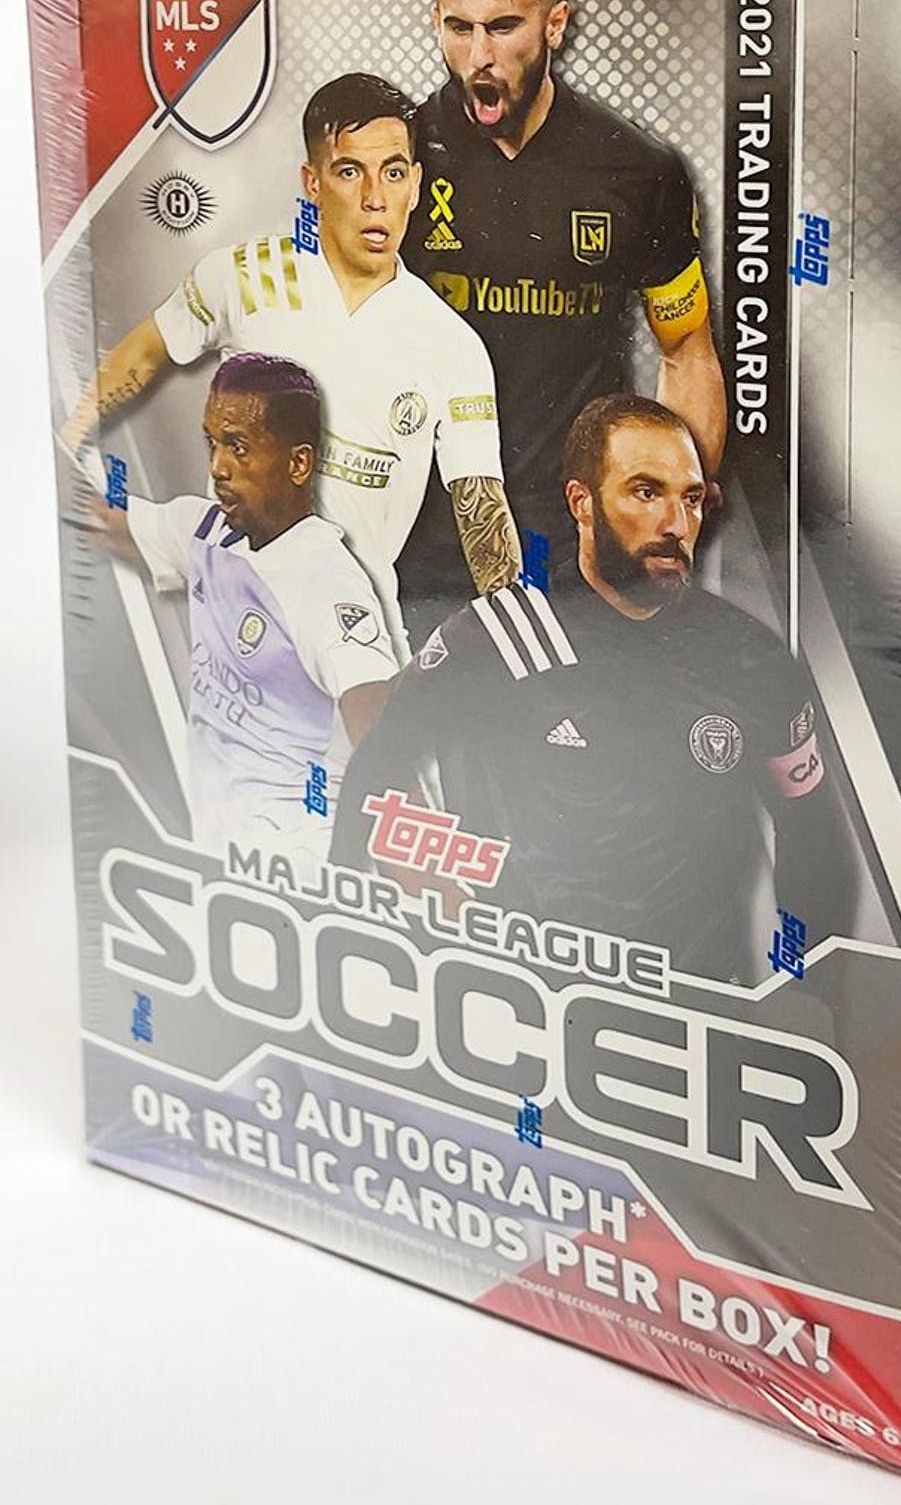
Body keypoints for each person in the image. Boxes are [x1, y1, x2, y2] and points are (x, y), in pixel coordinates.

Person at [332, 396, 849, 983]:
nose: (676, 525)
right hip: (531, 1003)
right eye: (646, 492)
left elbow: (812, 833)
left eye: (691, 498)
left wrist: (807, 988)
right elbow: (377, 768)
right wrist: (352, 928)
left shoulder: (748, 657)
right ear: (582, 502)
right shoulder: (496, 638)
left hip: (701, 1006)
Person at [61, 73, 521, 656]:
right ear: (313, 182)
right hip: (232, 628)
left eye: (393, 172)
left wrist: (521, 643)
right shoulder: (246, 276)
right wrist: (68, 441)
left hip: (358, 638)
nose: (375, 198)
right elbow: (148, 349)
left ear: (415, 185)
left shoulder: (451, 344)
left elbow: (481, 507)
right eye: (350, 171)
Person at [400, 0, 728, 617]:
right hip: (419, 538)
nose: (479, 56)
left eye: (503, 27)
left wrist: (672, 525)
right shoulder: (396, 160)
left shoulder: (638, 170)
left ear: (555, 24)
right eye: (459, 28)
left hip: (580, 544)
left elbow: (685, 353)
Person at [88, 353, 399, 875]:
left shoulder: (328, 584)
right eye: (212, 442)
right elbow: (100, 520)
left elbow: (387, 747)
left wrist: (432, 897)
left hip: (295, 868)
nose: (217, 467)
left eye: (238, 447)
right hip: (214, 852)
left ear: (298, 464)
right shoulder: (207, 531)